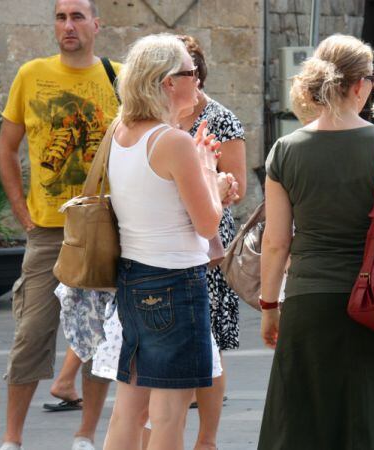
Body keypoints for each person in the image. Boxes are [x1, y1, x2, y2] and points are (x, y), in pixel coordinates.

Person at [257, 34, 374, 450]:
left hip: (310, 301)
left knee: (308, 427)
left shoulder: (285, 151)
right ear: (362, 85)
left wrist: (270, 307)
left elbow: (275, 242)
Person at [0, 1, 118, 448]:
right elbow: (6, 147)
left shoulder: (117, 76)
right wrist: (22, 213)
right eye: (61, 17)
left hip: (102, 229)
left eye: (78, 17)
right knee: (31, 334)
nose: (68, 25)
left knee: (97, 334)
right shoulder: (31, 75)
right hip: (48, 230)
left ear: (96, 25)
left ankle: (85, 434)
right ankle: (12, 439)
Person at [101, 33, 229, 450]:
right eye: (191, 72)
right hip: (176, 282)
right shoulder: (172, 142)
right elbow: (208, 224)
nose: (198, 81)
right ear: (169, 82)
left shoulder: (121, 131)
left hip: (134, 278)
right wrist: (210, 172)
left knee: (129, 409)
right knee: (168, 415)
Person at [177, 33, 246, 450]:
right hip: (164, 238)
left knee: (209, 342)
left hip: (207, 243)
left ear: (196, 75)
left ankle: (207, 439)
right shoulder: (155, 117)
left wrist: (204, 185)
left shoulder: (221, 119)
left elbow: (234, 189)